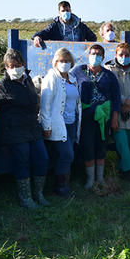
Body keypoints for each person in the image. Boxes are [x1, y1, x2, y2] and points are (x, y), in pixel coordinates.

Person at [0, 49, 49, 210]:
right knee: (23, 161)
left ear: (23, 64)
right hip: (13, 131)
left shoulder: (28, 81)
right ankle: (26, 199)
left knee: (42, 158)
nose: (14, 68)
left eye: (17, 65)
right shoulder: (1, 86)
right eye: (10, 66)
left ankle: (39, 194)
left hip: (32, 128)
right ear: (6, 67)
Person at [72, 44, 121, 188]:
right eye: (93, 53)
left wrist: (114, 117)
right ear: (88, 55)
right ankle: (90, 179)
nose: (95, 56)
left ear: (103, 57)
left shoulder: (109, 75)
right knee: (87, 146)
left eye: (99, 54)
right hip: (86, 115)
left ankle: (100, 178)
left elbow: (116, 98)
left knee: (101, 145)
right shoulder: (78, 71)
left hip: (104, 117)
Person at [40, 47, 82, 197]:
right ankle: (60, 187)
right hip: (59, 124)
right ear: (56, 62)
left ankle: (64, 184)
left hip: (72, 123)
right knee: (67, 155)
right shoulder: (52, 78)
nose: (64, 63)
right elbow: (45, 104)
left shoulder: (72, 78)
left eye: (67, 61)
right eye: (61, 61)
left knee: (64, 156)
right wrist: (46, 125)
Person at [104, 42, 130, 181]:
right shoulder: (109, 70)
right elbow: (108, 90)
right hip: (117, 112)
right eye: (121, 54)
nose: (124, 57)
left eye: (127, 55)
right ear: (116, 55)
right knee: (121, 143)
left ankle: (122, 169)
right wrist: (123, 101)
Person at [31, 0, 97, 47]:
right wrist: (36, 37)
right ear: (59, 12)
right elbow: (44, 32)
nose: (65, 12)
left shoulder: (80, 26)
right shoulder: (55, 26)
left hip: (78, 56)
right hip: (61, 56)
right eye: (63, 11)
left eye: (67, 10)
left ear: (70, 11)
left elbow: (93, 38)